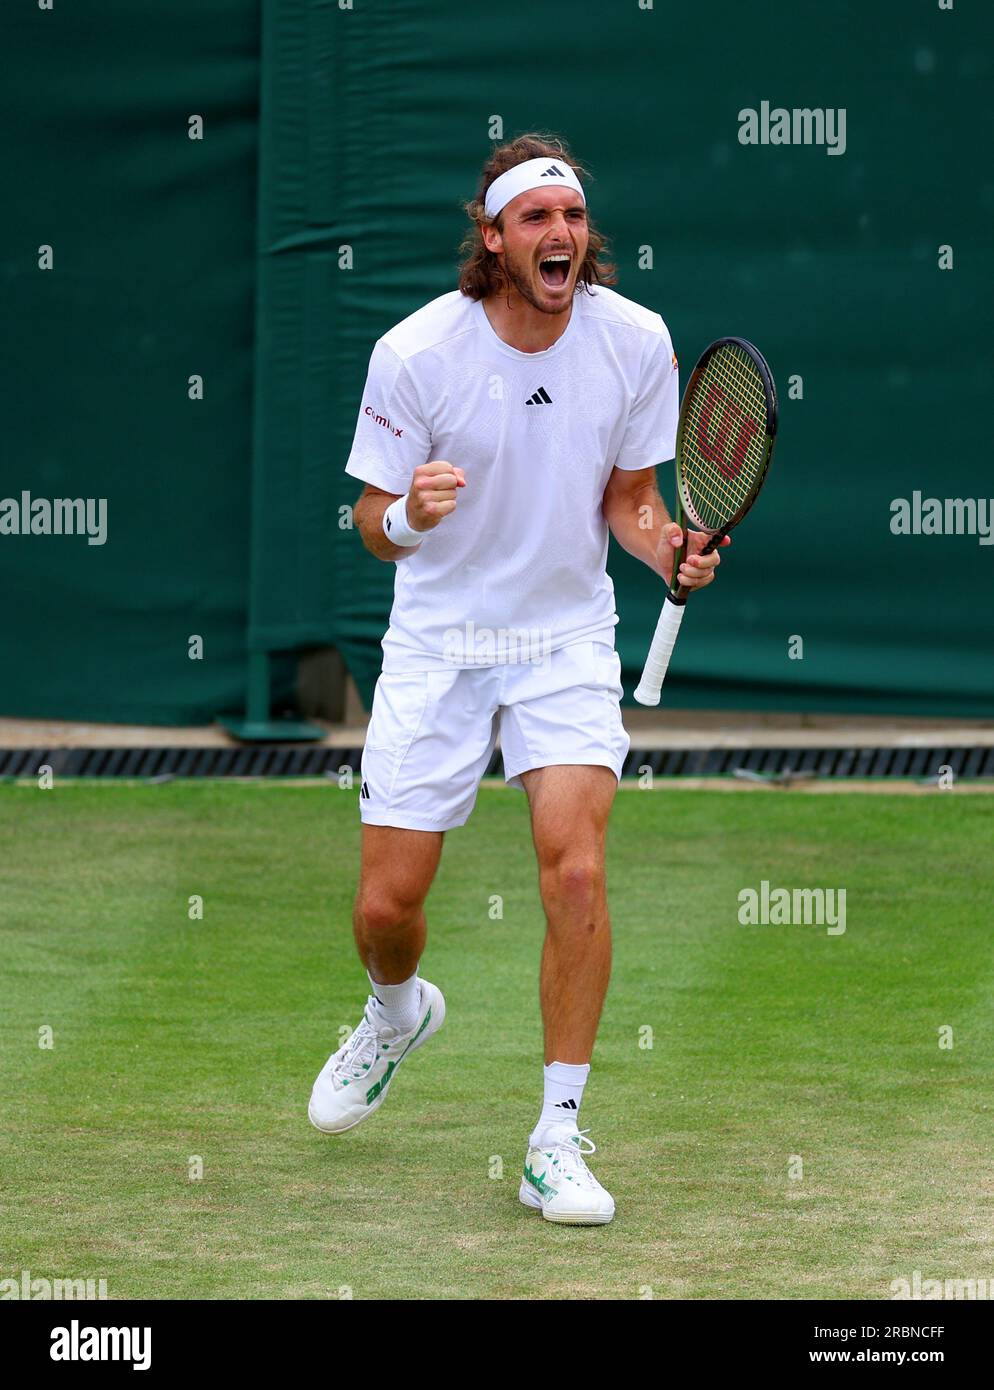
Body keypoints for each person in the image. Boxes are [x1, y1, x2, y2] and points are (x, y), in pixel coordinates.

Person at [309, 133, 724, 1225]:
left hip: (563, 641)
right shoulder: (414, 355)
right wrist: (411, 513)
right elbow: (369, 526)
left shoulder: (635, 343)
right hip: (440, 644)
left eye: (572, 218)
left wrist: (664, 544)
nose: (560, 235)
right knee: (386, 906)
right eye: (534, 218)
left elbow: (629, 499)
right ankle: (396, 1013)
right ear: (491, 239)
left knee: (575, 873)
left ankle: (555, 1137)